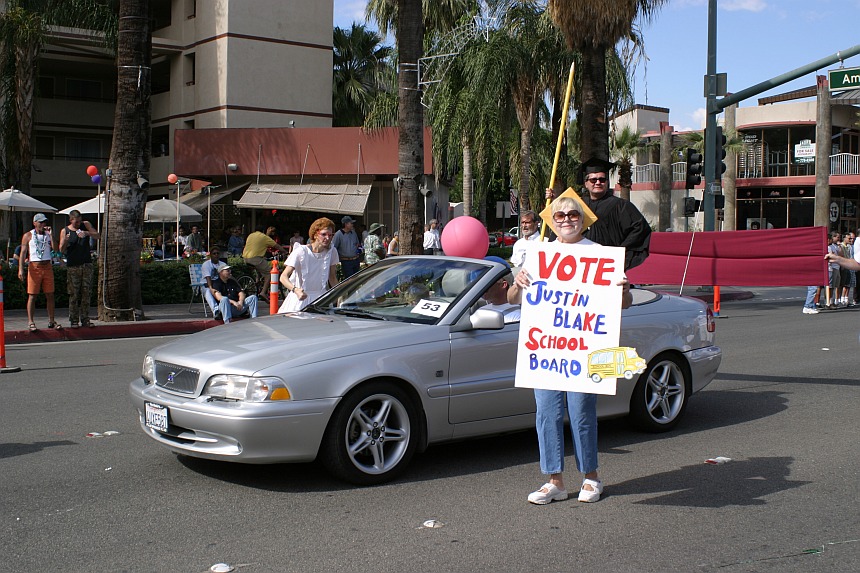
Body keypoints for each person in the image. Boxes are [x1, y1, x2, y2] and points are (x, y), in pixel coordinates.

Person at [507, 192, 632, 505]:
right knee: (547, 415)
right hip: (547, 352)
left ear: (583, 220)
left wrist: (624, 290)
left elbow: (624, 304)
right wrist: (517, 283)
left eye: (573, 215)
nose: (566, 220)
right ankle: (555, 481)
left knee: (581, 413)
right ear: (551, 220)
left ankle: (591, 477)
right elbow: (511, 299)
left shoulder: (600, 254)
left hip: (582, 352)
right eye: (559, 216)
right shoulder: (538, 254)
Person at [573, 157, 651, 271]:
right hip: (581, 263)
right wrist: (552, 198)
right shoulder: (578, 205)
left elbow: (640, 228)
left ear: (607, 182)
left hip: (608, 264)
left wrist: (620, 251)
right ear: (586, 183)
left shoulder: (620, 205)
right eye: (593, 180)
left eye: (602, 179)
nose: (598, 183)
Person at [279, 217, 339, 312]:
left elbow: (332, 277)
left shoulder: (332, 252)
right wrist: (296, 290)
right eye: (324, 234)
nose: (327, 238)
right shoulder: (301, 251)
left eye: (330, 235)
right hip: (300, 299)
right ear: (315, 235)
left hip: (320, 299)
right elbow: (283, 277)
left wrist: (339, 295)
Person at [19, 213, 62, 332]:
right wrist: (21, 269)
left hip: (47, 266)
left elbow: (55, 249)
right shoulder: (28, 235)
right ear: (35, 223)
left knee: (50, 294)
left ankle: (51, 320)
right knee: (32, 295)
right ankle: (31, 321)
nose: (43, 225)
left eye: (44, 222)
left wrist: (52, 235)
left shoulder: (47, 235)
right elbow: (23, 252)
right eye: (40, 222)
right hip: (34, 267)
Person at [59, 209, 99, 328]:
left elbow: (97, 235)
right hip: (73, 265)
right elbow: (61, 250)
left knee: (86, 292)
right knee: (74, 293)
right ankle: (74, 319)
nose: (78, 224)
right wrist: (65, 241)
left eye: (79, 221)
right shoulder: (65, 231)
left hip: (86, 263)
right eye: (76, 222)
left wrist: (87, 233)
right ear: (71, 220)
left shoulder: (85, 225)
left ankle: (85, 318)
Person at [242, 225, 289, 298]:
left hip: (245, 257)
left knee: (261, 264)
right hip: (255, 259)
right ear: (264, 230)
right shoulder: (265, 237)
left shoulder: (250, 235)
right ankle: (263, 292)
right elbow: (277, 246)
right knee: (269, 273)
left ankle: (257, 282)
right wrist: (285, 252)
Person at [479, 257, 520, 323]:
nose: (482, 286)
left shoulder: (516, 316)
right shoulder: (480, 311)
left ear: (503, 285)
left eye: (487, 282)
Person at [200, 247, 223, 314]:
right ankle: (216, 311)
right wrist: (211, 288)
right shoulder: (206, 264)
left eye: (217, 253)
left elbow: (229, 275)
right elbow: (208, 278)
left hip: (218, 284)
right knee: (208, 291)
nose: (216, 255)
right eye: (214, 253)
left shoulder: (222, 264)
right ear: (210, 255)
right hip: (206, 284)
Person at [826, 231, 842, 308]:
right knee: (830, 286)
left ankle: (832, 301)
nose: (838, 239)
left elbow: (840, 255)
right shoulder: (829, 247)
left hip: (836, 267)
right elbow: (831, 257)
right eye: (837, 237)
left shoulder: (835, 246)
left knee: (835, 285)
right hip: (831, 268)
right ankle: (828, 302)